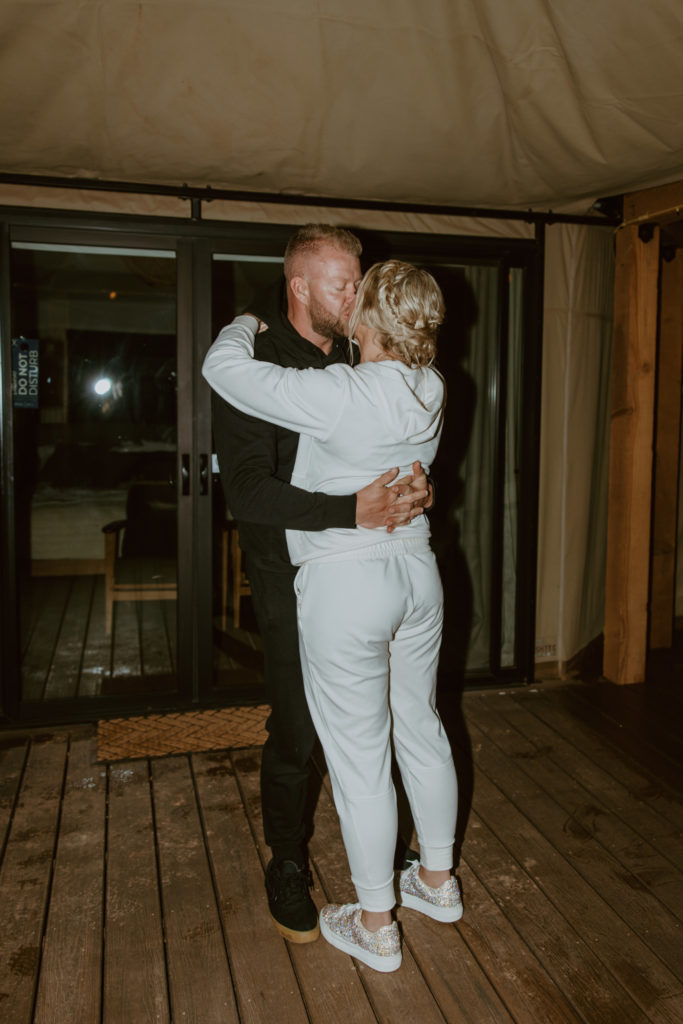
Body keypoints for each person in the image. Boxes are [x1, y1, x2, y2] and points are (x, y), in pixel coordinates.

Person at [203, 259, 461, 974]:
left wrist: (244, 323)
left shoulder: (338, 392)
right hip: (417, 575)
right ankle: (437, 882)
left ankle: (375, 922)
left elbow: (223, 371)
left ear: (369, 320)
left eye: (357, 289)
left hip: (349, 585)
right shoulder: (432, 386)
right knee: (421, 726)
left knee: (357, 759)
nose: (346, 297)